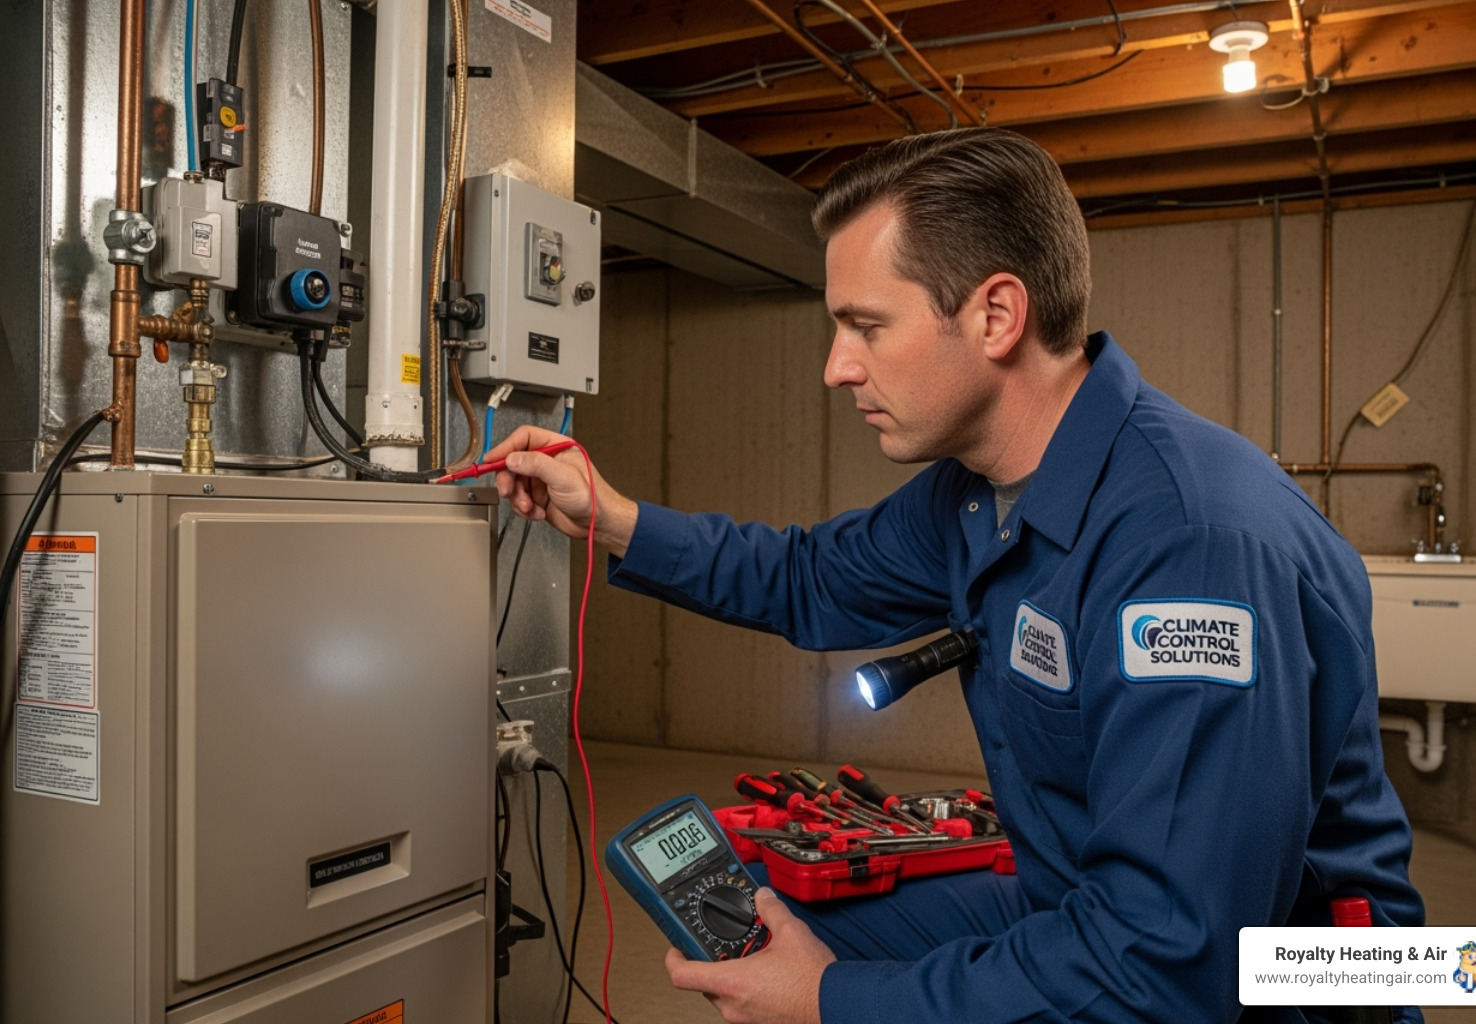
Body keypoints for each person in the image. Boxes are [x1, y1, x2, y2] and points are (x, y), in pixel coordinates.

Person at [487, 129, 1425, 1024]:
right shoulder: (975, 494)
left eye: (865, 325)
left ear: (995, 315)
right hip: (1083, 903)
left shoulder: (1189, 548)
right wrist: (609, 518)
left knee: (823, 986)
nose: (834, 368)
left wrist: (834, 1001)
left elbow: (1165, 965)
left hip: (1281, 981)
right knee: (758, 926)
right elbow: (811, 577)